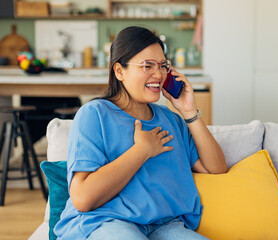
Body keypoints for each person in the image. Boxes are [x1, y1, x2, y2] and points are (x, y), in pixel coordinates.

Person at [54, 26, 227, 240]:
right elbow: (82, 198)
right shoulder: (94, 114)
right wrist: (142, 151)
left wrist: (189, 111)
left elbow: (216, 169)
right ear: (119, 71)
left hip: (166, 226)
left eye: (163, 66)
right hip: (107, 221)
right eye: (148, 66)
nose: (159, 74)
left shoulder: (171, 119)